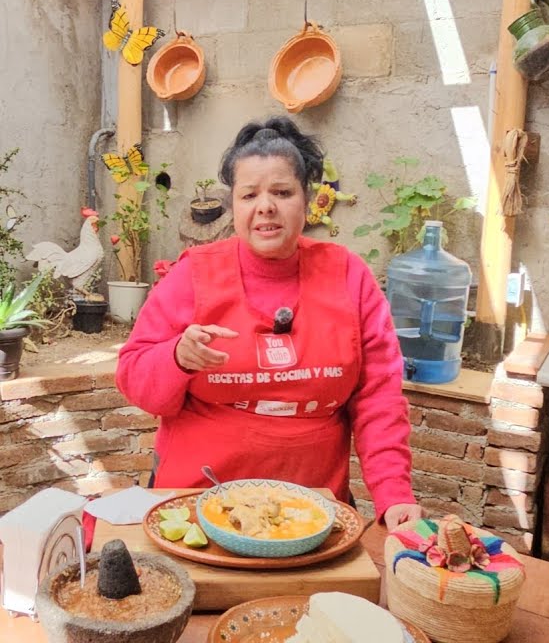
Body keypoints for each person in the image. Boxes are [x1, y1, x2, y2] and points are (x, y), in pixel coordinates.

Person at [117, 117, 424, 526]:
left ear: (308, 199)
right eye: (249, 195)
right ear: (234, 205)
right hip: (196, 498)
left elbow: (378, 399)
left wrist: (393, 495)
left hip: (311, 508)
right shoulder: (192, 276)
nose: (265, 206)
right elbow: (135, 378)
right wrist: (177, 357)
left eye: (282, 192)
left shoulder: (349, 276)